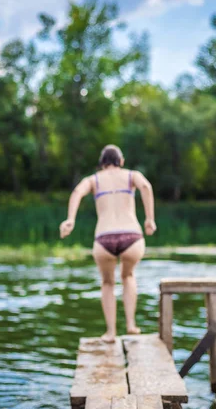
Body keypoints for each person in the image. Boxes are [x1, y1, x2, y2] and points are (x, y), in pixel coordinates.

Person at [59, 144, 156, 343]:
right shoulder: (131, 175)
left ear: (101, 164)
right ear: (121, 161)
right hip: (131, 236)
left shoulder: (93, 179)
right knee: (128, 276)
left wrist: (71, 219)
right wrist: (149, 219)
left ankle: (111, 332)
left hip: (104, 238)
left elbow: (77, 192)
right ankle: (130, 325)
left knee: (107, 283)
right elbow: (146, 186)